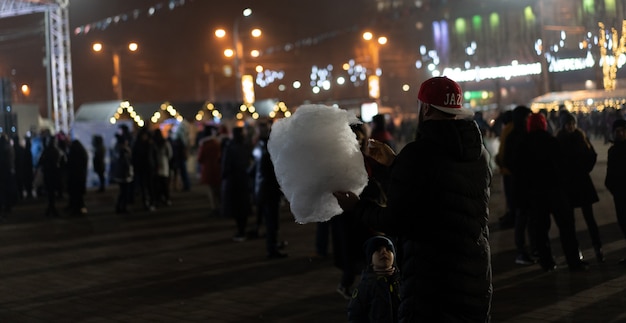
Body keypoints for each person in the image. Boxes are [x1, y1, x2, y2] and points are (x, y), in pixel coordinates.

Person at [335, 76, 492, 321]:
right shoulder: (479, 154)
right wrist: (395, 165)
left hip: (432, 281)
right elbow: (437, 192)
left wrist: (358, 206)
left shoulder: (418, 154)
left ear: (425, 107)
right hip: (474, 274)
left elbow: (396, 219)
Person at [518, 113, 589, 272]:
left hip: (535, 194)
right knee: (566, 228)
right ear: (544, 124)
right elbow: (562, 166)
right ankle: (573, 261)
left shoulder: (524, 144)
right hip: (555, 190)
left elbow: (521, 173)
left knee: (541, 230)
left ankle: (547, 262)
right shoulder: (551, 141)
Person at [333, 123, 378, 299]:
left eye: (360, 139)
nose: (358, 142)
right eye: (354, 139)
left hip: (364, 212)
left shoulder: (366, 158)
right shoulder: (341, 162)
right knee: (351, 252)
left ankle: (362, 287)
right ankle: (347, 284)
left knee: (364, 252)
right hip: (348, 216)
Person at [556, 112, 604, 262]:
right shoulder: (559, 140)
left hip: (582, 182)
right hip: (568, 184)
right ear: (563, 125)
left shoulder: (581, 137)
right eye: (568, 124)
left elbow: (592, 155)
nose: (571, 126)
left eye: (572, 124)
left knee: (589, 218)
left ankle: (597, 246)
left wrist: (585, 169)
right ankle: (575, 250)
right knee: (570, 222)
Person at [503, 105, 535, 265]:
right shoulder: (516, 136)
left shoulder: (523, 134)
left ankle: (532, 250)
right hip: (522, 184)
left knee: (530, 219)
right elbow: (507, 160)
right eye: (527, 117)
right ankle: (522, 252)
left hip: (524, 183)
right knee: (522, 219)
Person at [252, 121, 287, 259]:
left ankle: (272, 245)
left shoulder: (259, 147)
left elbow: (254, 169)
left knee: (269, 220)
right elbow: (274, 173)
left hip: (262, 189)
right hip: (269, 191)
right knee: (272, 221)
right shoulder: (270, 149)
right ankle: (271, 249)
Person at [347, 235, 401, 323]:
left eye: (388, 249)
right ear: (370, 260)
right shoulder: (366, 286)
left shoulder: (401, 281)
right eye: (378, 250)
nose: (384, 252)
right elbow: (355, 314)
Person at [221, 126, 253, 242]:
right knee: (243, 207)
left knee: (236, 207)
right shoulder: (246, 147)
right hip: (243, 180)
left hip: (233, 181)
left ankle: (240, 231)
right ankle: (242, 229)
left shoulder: (229, 147)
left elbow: (226, 165)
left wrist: (224, 177)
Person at [605, 119, 626, 264]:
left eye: (622, 130)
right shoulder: (612, 150)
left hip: (620, 192)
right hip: (619, 193)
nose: (620, 133)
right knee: (623, 222)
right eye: (617, 131)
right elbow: (610, 172)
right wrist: (612, 187)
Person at [197, 125, 222, 216]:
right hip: (218, 168)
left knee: (211, 190)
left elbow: (200, 158)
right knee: (218, 189)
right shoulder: (217, 143)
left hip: (207, 169)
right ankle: (221, 206)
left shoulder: (204, 144)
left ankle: (214, 208)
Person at [66, 139, 89, 216]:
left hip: (74, 178)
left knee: (76, 195)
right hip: (81, 176)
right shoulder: (82, 153)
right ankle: (80, 209)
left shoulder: (73, 155)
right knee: (79, 196)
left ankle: (78, 209)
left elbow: (69, 165)